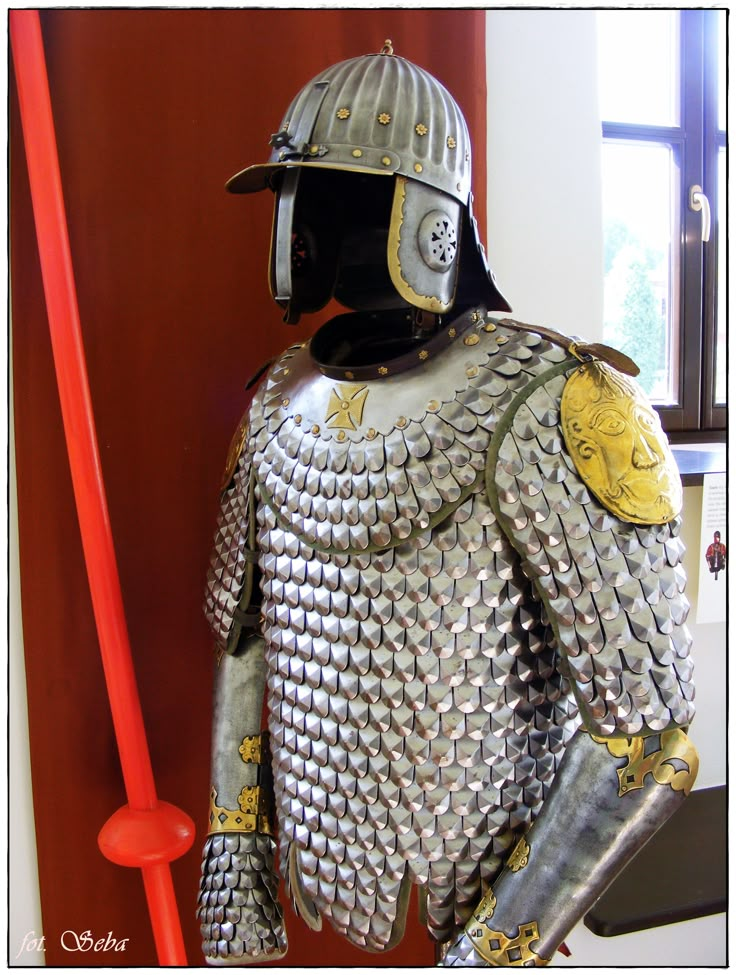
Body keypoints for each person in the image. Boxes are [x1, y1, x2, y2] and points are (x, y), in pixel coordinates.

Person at [197, 43, 697, 966]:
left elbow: (643, 729)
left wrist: (498, 945)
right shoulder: (275, 401)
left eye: (345, 203)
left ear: (422, 219)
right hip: (314, 857)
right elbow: (246, 639)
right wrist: (237, 843)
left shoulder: (559, 401)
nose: (315, 231)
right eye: (306, 201)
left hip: (482, 885)